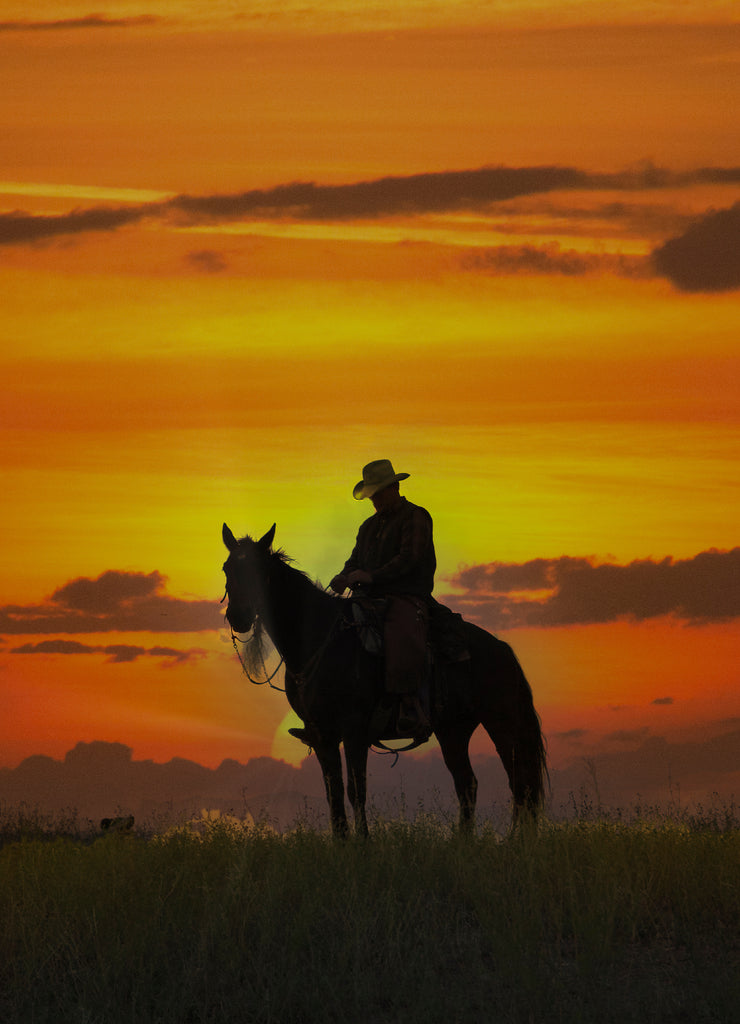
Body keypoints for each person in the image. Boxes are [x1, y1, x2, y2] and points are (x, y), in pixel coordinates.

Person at [329, 459, 435, 739]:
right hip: (368, 598)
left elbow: (409, 559)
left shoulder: (416, 517)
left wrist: (371, 576)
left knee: (400, 630)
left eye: (378, 493)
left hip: (407, 596)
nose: (374, 500)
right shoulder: (367, 527)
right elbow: (354, 561)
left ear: (395, 487)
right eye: (372, 495)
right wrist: (343, 576)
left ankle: (410, 704)